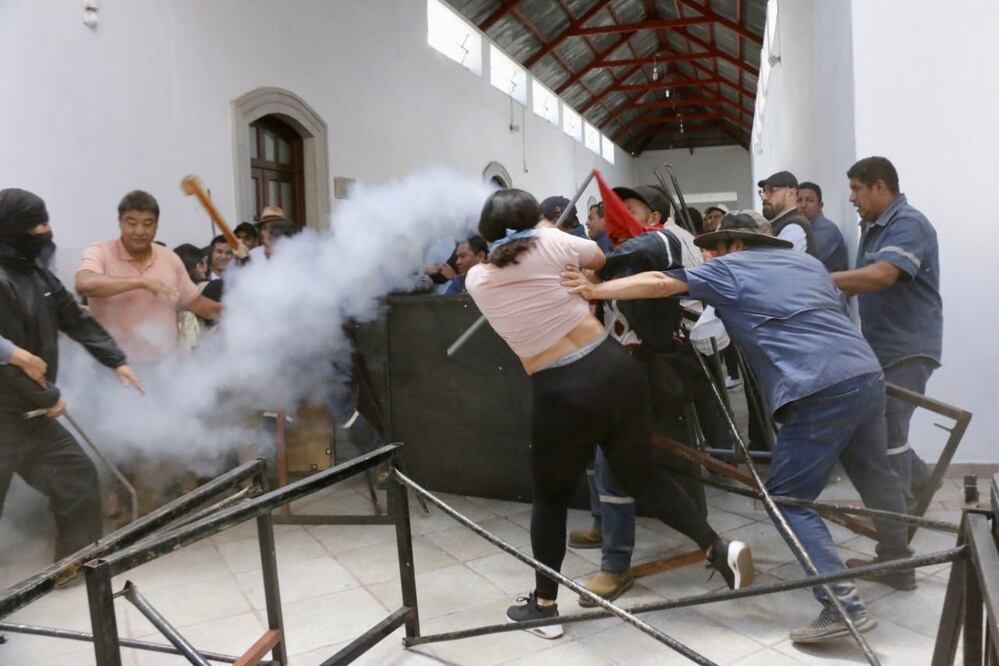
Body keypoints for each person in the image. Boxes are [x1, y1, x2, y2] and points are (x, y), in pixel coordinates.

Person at [562, 212, 913, 643]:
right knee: (874, 471)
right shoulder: (809, 266)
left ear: (738, 245)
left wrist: (595, 288)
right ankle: (898, 561)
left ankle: (841, 605)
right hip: (864, 373)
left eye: (716, 245)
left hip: (816, 385)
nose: (708, 254)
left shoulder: (731, 267)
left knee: (786, 499)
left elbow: (658, 284)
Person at [465, 189, 753, 639]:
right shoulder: (557, 245)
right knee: (640, 476)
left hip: (560, 388)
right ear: (533, 219)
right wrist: (544, 231)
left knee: (551, 499)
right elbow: (597, 257)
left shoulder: (478, 279)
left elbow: (514, 255)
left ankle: (544, 608)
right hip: (614, 367)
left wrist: (528, 235)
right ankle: (716, 547)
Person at [568, 184, 745, 608]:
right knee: (610, 459)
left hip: (648, 366)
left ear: (655, 214)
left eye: (627, 209)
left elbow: (636, 254)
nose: (617, 219)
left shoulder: (666, 237)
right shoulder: (639, 245)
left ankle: (616, 564)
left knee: (617, 467)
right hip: (624, 366)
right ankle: (607, 529)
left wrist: (591, 262)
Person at [0, 188, 143, 560]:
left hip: (33, 418)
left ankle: (75, 568)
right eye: (37, 224)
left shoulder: (38, 274)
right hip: (5, 417)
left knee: (77, 481)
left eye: (46, 221)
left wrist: (115, 359)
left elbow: (74, 316)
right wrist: (49, 398)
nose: (46, 230)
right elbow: (6, 363)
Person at [831, 156, 942, 518]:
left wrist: (820, 279)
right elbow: (862, 279)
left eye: (856, 189)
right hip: (881, 345)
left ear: (880, 186)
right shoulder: (874, 227)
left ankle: (900, 521)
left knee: (889, 429)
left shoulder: (908, 223)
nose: (852, 198)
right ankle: (922, 481)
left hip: (908, 347)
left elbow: (881, 276)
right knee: (878, 425)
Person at [75, 190, 221, 363]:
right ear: (120, 223)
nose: (139, 231)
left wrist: (237, 314)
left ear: (156, 226)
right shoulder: (100, 251)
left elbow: (197, 303)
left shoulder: (169, 258)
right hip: (114, 367)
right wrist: (142, 283)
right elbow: (84, 284)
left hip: (163, 367)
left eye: (147, 223)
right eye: (132, 223)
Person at [757, 171, 816, 255]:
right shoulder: (778, 223)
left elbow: (776, 265)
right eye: (763, 191)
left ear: (791, 193)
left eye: (770, 190)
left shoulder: (794, 228)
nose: (764, 197)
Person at [797, 182, 849, 272]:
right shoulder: (803, 227)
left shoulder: (827, 230)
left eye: (809, 200)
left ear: (820, 206)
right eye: (799, 200)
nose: (803, 205)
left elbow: (804, 265)